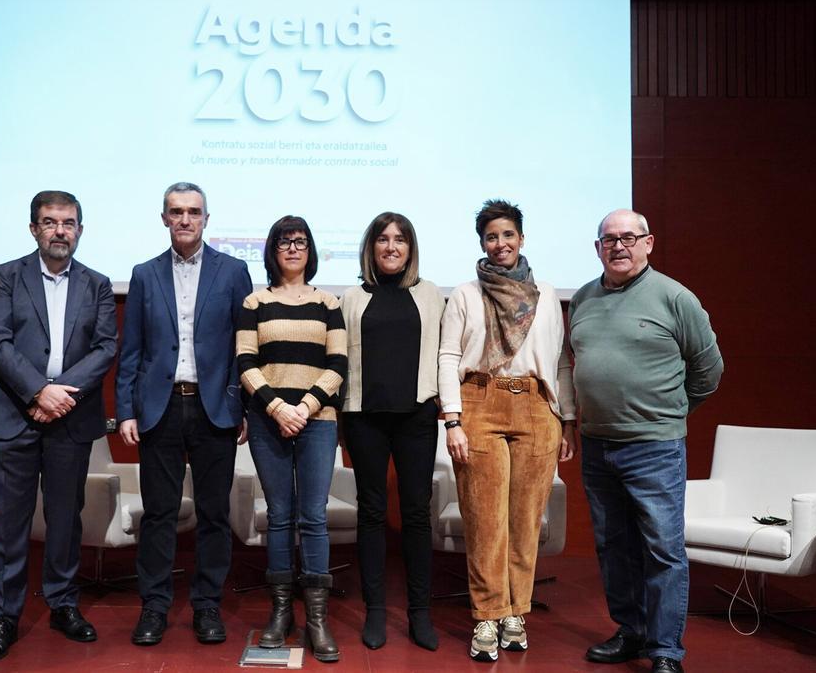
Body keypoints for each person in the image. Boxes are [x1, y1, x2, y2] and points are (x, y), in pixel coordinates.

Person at [570, 209, 723, 673]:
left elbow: (709, 371)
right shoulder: (581, 299)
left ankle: (665, 651)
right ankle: (631, 633)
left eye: (629, 237)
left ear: (649, 243)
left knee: (662, 550)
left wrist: (669, 414)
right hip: (598, 445)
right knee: (614, 547)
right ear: (598, 248)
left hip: (654, 447)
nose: (619, 246)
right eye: (609, 239)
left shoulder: (675, 298)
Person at [0, 190, 118, 663]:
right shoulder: (6, 277)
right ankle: (5, 616)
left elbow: (105, 349)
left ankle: (62, 603)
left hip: (69, 419)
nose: (60, 230)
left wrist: (58, 396)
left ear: (80, 229)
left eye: (69, 223)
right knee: (10, 525)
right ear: (34, 228)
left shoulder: (96, 284)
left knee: (64, 520)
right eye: (50, 222)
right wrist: (38, 391)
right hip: (12, 414)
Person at [437, 199, 576, 662]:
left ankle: (515, 612)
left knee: (525, 520)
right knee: (485, 519)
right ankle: (486, 616)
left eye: (508, 235)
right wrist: (453, 419)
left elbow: (559, 361)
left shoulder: (547, 295)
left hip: (537, 408)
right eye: (492, 237)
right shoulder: (465, 294)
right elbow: (448, 357)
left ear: (522, 238)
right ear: (482, 243)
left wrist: (566, 419)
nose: (501, 244)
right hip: (480, 401)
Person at [116, 182, 253, 646]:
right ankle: (154, 607)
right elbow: (130, 349)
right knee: (159, 513)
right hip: (160, 407)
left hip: (216, 407)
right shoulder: (144, 274)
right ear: (164, 218)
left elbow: (245, 348)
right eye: (176, 212)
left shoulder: (233, 272)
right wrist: (127, 410)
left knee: (214, 514)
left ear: (207, 219)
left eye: (194, 212)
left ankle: (207, 606)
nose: (185, 220)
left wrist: (244, 405)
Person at [236, 216, 347, 663]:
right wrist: (277, 408)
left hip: (318, 420)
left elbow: (338, 364)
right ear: (272, 250)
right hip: (268, 421)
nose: (293, 248)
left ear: (310, 249)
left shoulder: (329, 303)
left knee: (314, 516)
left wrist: (304, 407)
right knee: (280, 516)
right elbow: (245, 361)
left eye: (300, 242)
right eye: (285, 242)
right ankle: (281, 613)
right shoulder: (254, 301)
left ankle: (317, 620)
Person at [339, 212, 444, 651]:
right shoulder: (351, 297)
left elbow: (446, 354)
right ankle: (376, 611)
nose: (391, 247)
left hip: (416, 417)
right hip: (364, 417)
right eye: (382, 239)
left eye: (400, 240)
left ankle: (420, 613)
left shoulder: (432, 294)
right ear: (371, 247)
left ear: (410, 248)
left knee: (417, 515)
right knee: (372, 513)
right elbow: (340, 361)